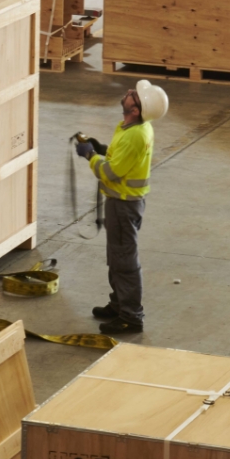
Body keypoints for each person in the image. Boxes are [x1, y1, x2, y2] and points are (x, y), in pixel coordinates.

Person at [76, 80, 168, 335]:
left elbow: (111, 172)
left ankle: (130, 316)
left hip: (124, 206)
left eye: (134, 95)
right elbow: (122, 159)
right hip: (123, 203)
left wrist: (89, 156)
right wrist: (102, 149)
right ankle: (119, 304)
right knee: (117, 256)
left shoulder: (136, 134)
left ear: (135, 109)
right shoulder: (132, 127)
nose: (129, 92)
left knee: (125, 260)